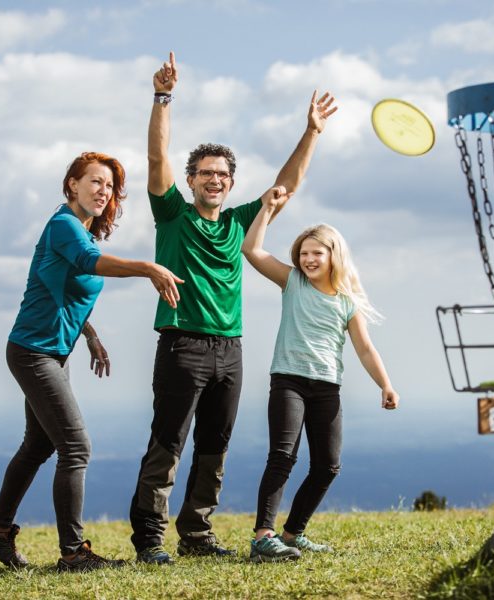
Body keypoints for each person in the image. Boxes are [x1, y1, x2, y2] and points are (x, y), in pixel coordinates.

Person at [128, 51, 338, 564]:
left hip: (231, 348)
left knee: (215, 445)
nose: (213, 180)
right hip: (183, 343)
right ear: (192, 179)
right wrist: (162, 98)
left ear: (230, 181)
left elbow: (284, 188)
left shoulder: (239, 221)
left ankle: (197, 533)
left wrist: (311, 132)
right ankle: (150, 541)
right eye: (203, 173)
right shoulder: (172, 214)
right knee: (168, 443)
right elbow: (156, 161)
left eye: (221, 174)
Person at [0, 152, 183, 572]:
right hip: (33, 351)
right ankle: (72, 553)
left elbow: (64, 287)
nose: (103, 191)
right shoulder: (63, 225)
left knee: (38, 444)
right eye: (95, 182)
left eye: (110, 186)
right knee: (76, 447)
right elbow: (88, 266)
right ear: (72, 185)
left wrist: (91, 335)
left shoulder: (83, 233)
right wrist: (148, 268)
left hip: (53, 352)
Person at [242, 195, 400, 563]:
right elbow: (252, 250)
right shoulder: (293, 282)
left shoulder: (348, 301)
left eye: (317, 253)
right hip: (289, 382)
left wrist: (386, 384)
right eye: (304, 253)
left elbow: (364, 348)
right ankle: (263, 537)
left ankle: (291, 535)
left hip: (327, 387)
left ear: (334, 256)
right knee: (282, 457)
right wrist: (266, 209)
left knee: (327, 466)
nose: (308, 260)